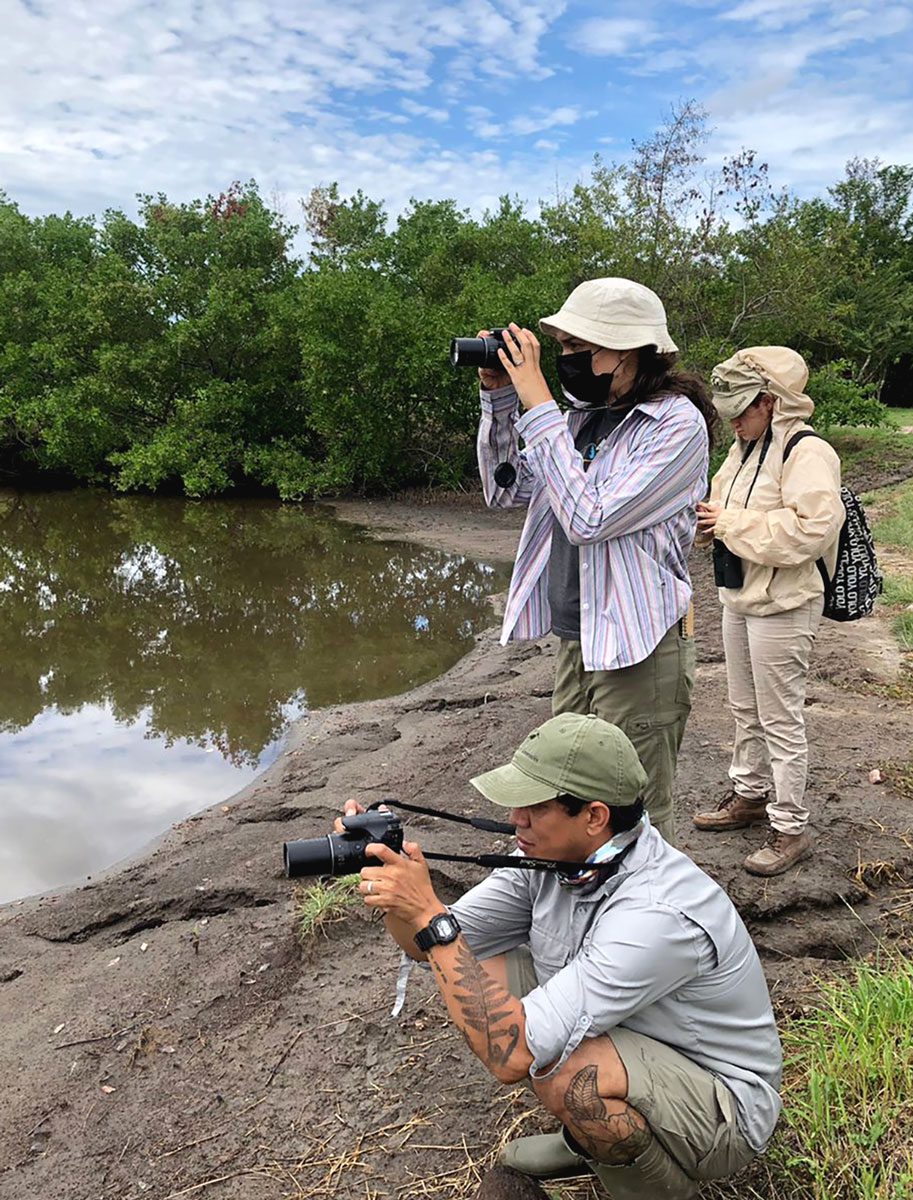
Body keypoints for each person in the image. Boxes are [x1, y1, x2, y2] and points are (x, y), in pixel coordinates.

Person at [345, 713, 782, 1199]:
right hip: (637, 1038)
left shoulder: (658, 913)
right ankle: (592, 1143)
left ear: (594, 816)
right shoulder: (552, 861)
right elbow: (428, 949)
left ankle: (654, 1186)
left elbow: (511, 1054)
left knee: (574, 1075)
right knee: (471, 966)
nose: (516, 820)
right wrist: (389, 883)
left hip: (722, 1105)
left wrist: (431, 916)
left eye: (532, 807)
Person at [476, 278, 717, 845]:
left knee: (634, 809)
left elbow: (590, 518)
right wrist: (502, 399)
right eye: (559, 348)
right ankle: (581, 911)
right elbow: (506, 491)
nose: (565, 361)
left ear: (630, 350)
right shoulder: (582, 418)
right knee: (568, 796)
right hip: (578, 636)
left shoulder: (676, 426)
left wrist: (537, 402)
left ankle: (649, 924)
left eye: (577, 349)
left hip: (639, 642)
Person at [693, 347, 843, 876]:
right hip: (741, 596)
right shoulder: (743, 447)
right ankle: (750, 795)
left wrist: (729, 524)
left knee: (781, 718)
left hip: (785, 603)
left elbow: (809, 531)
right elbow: (724, 504)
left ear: (772, 402)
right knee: (743, 708)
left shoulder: (807, 452)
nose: (733, 419)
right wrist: (708, 520)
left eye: (743, 408)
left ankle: (789, 827)